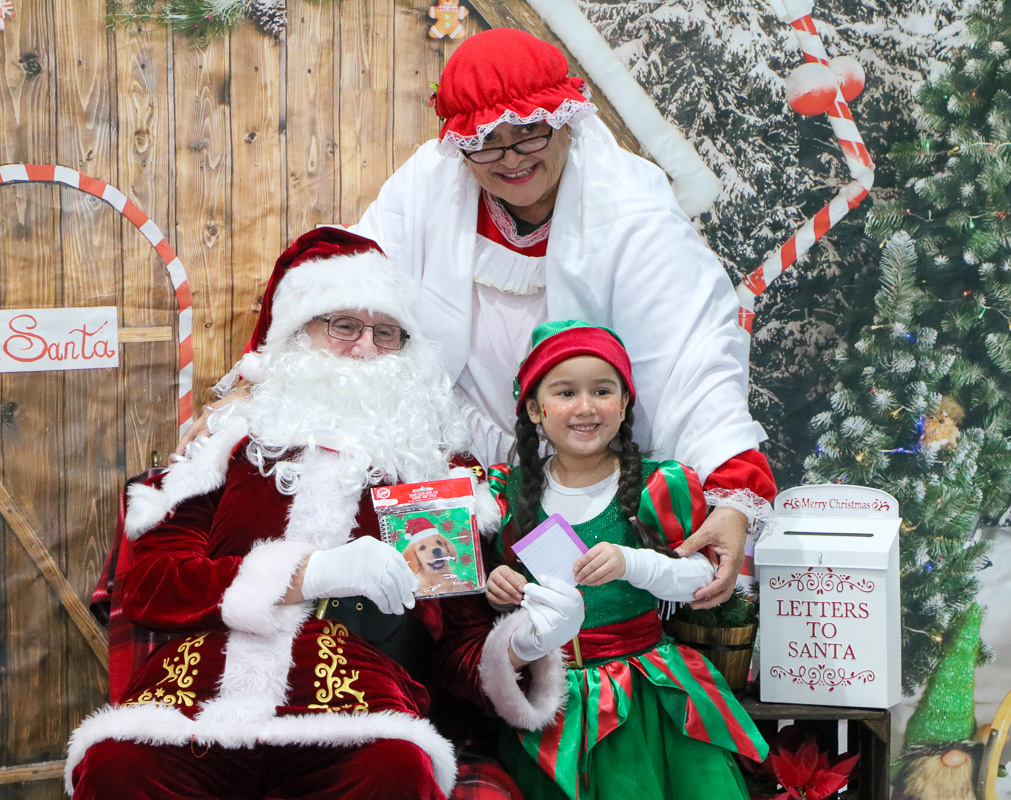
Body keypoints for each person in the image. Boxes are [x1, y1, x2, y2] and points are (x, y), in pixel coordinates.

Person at [186, 26, 774, 608]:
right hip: (464, 453)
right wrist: (257, 386)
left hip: (588, 459)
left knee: (588, 606)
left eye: (530, 134)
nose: (511, 160)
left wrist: (734, 494)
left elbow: (692, 355)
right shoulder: (428, 184)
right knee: (467, 612)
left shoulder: (633, 209)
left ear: (566, 119)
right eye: (487, 143)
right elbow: (347, 286)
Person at [65, 229, 582, 800]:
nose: (366, 349)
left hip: (358, 707)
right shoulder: (224, 446)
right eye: (344, 326)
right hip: (197, 698)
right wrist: (310, 573)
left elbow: (457, 644)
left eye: (386, 332)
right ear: (297, 335)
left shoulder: (431, 469)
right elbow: (154, 585)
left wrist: (522, 646)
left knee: (396, 770)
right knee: (118, 767)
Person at [484, 320, 769, 799]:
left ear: (623, 404)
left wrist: (632, 563)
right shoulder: (506, 493)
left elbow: (700, 577)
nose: (585, 407)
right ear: (535, 408)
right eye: (566, 392)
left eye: (602, 391)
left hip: (638, 692)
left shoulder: (659, 485)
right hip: (549, 696)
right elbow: (499, 589)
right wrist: (501, 589)